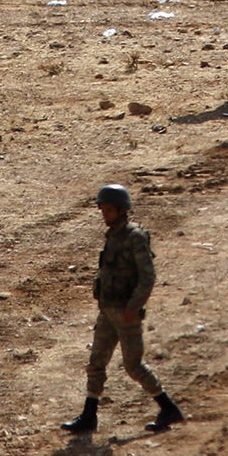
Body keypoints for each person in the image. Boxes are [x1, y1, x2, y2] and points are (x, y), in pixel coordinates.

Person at [62, 184, 184, 436]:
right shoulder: (113, 236)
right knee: (96, 363)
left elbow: (147, 276)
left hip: (126, 312)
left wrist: (134, 307)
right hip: (108, 311)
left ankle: (168, 408)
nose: (104, 214)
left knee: (134, 366)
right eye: (102, 209)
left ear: (121, 210)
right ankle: (89, 415)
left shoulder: (134, 237)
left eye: (108, 210)